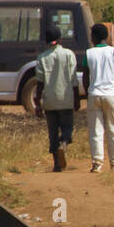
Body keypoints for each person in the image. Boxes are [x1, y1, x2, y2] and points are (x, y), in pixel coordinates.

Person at [32, 24, 82, 172]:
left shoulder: (42, 58)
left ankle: (56, 165)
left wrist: (38, 101)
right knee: (67, 128)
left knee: (52, 132)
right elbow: (74, 80)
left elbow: (40, 82)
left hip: (49, 101)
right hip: (66, 99)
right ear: (60, 39)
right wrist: (77, 99)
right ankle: (64, 144)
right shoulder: (68, 54)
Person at [84, 23, 114, 173]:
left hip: (94, 94)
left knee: (96, 131)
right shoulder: (113, 51)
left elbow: (85, 75)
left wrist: (87, 93)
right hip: (111, 95)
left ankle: (97, 163)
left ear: (94, 37)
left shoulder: (88, 53)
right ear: (106, 37)